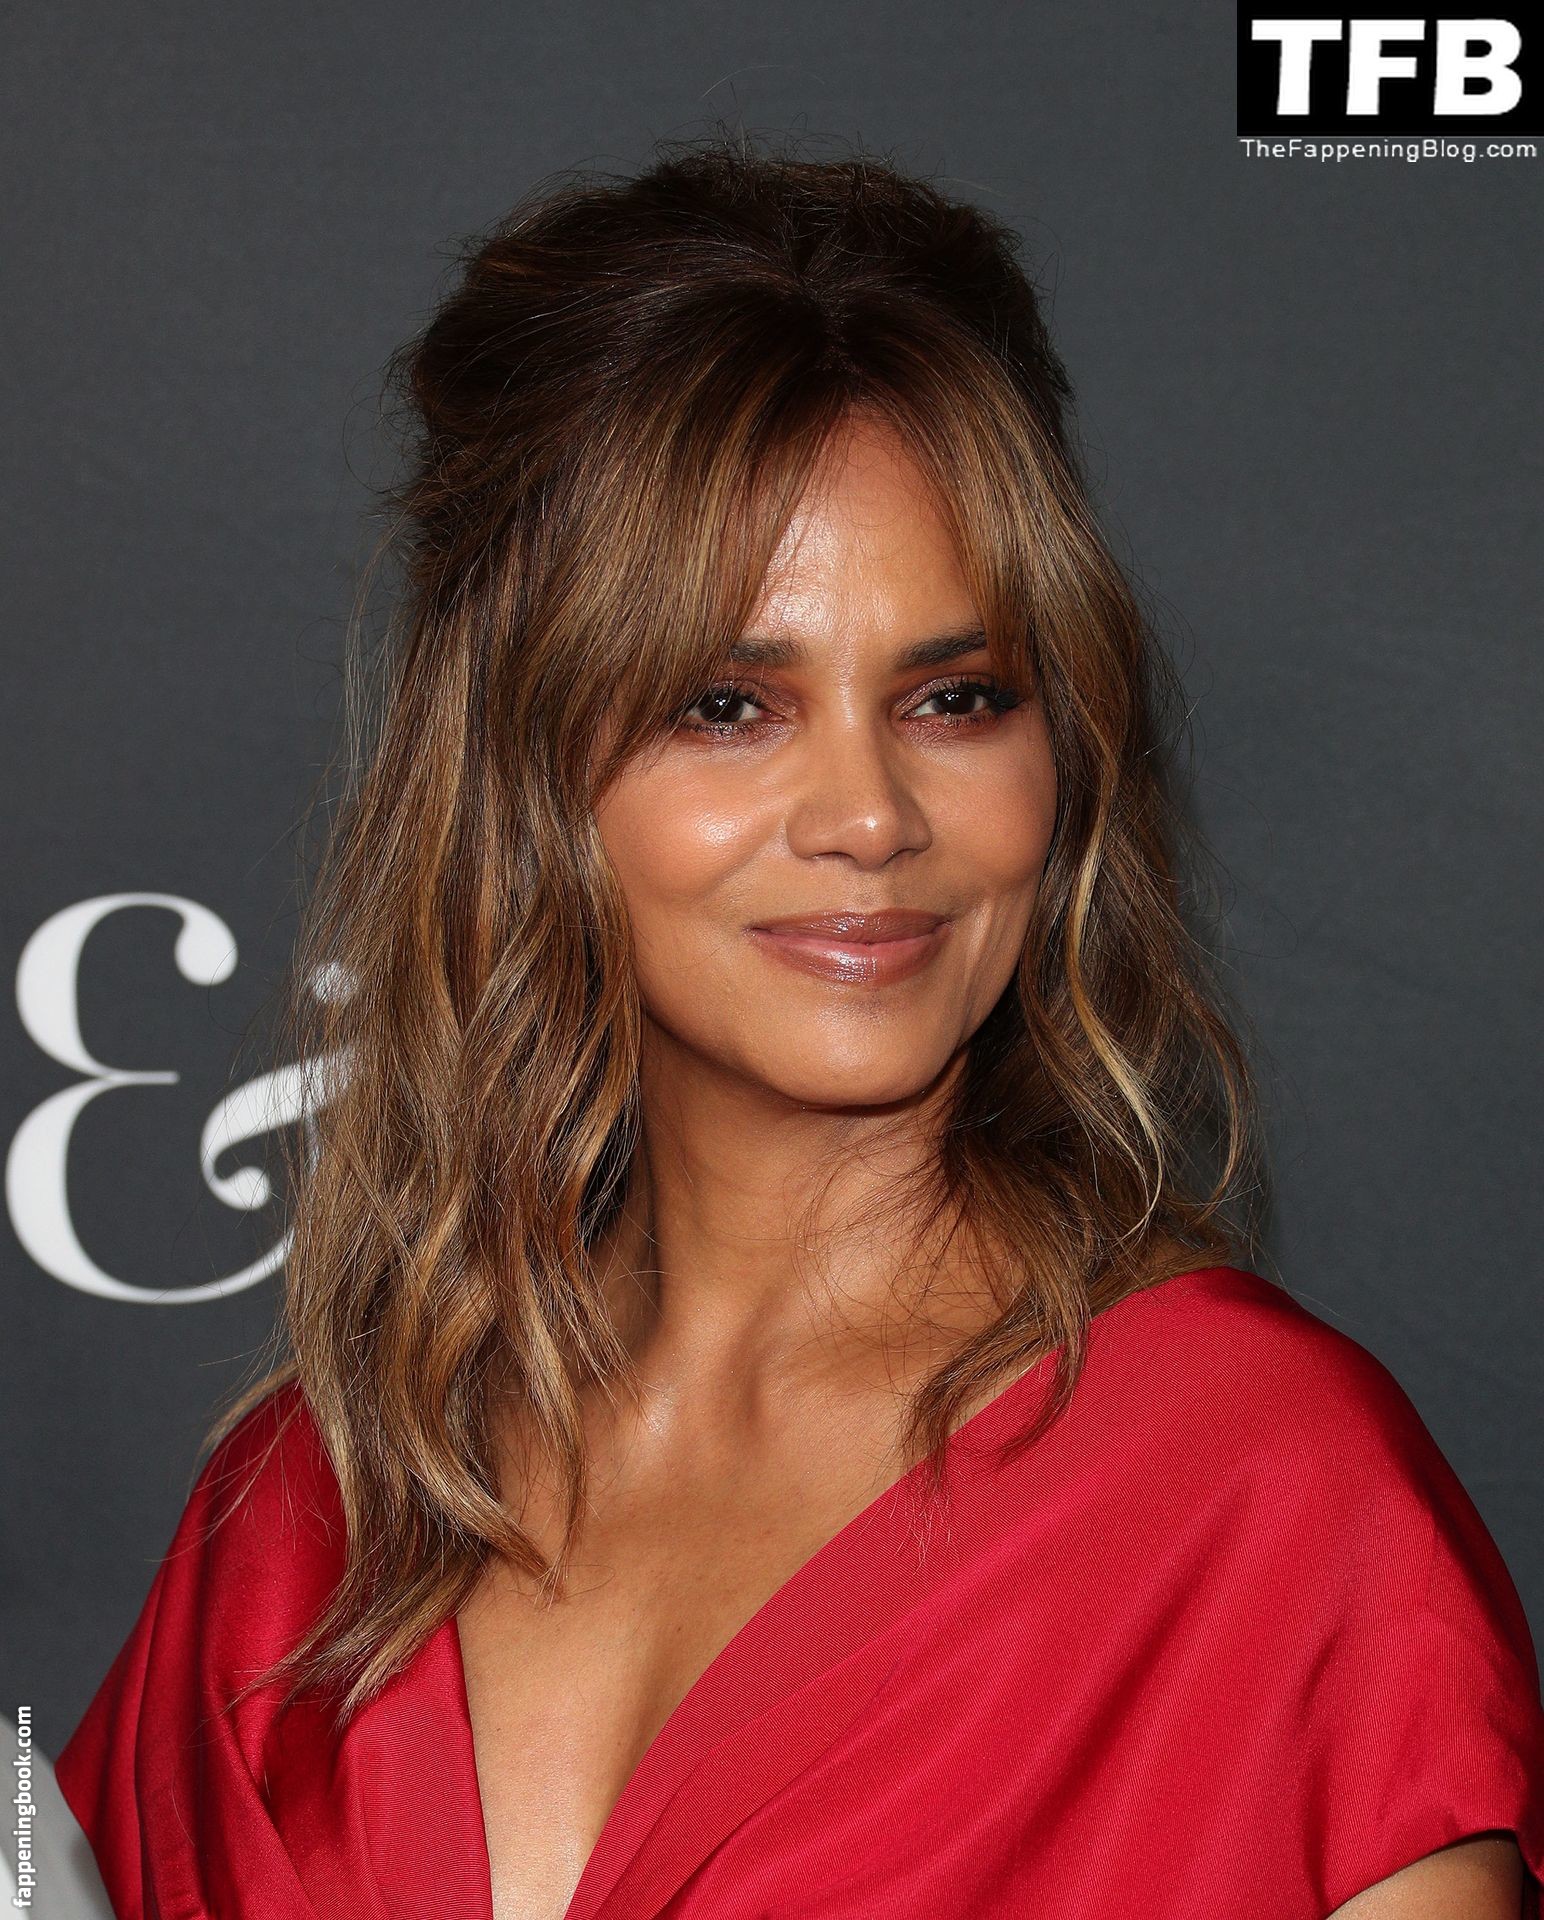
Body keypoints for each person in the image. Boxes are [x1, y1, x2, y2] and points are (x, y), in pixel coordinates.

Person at [55, 133, 1543, 1920]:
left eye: (957, 697)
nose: (870, 815)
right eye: (727, 703)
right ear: (526, 768)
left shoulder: (1274, 1507)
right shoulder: (310, 1512)